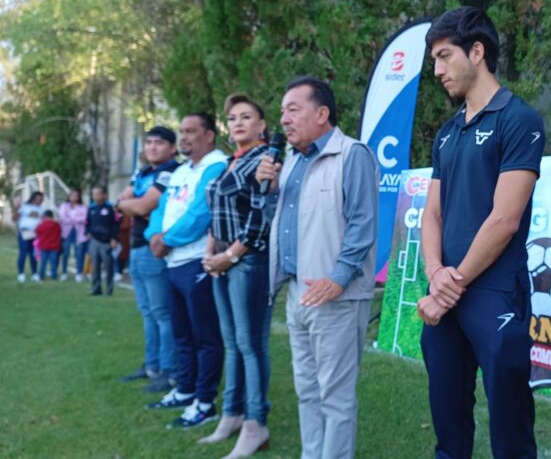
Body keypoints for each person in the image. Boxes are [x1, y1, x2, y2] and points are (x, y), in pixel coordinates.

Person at [416, 6, 545, 459]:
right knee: (448, 427)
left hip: (494, 293)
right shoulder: (447, 133)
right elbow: (431, 214)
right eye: (434, 60)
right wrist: (435, 274)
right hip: (445, 291)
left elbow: (504, 219)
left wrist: (451, 285)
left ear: (476, 52)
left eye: (444, 56)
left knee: (511, 433)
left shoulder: (519, 119)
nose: (437, 71)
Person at [255, 76, 378, 459]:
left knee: (335, 397)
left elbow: (362, 224)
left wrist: (338, 279)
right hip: (298, 293)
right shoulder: (290, 162)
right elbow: (280, 223)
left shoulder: (352, 154)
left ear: (322, 113)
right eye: (282, 111)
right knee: (307, 390)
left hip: (336, 297)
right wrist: (267, 190)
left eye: (293, 110)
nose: (284, 119)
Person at [199, 94, 274, 458]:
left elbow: (260, 219)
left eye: (246, 116)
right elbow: (217, 214)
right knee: (232, 343)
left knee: (251, 344)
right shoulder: (232, 161)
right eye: (232, 118)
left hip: (248, 262)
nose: (238, 123)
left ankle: (256, 423)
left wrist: (228, 257)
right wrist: (209, 253)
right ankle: (232, 414)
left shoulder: (265, 160)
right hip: (221, 261)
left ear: (262, 125)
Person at [145, 113, 227, 430]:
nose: (184, 137)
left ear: (209, 135)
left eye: (191, 131)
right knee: (182, 334)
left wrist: (166, 240)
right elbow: (161, 208)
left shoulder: (216, 165)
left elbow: (200, 214)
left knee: (204, 336)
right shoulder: (180, 171)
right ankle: (185, 389)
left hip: (196, 261)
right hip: (173, 263)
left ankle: (205, 403)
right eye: (182, 131)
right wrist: (154, 235)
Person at [115, 126, 181, 392]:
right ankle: (151, 365)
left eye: (159, 143)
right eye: (149, 142)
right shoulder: (142, 172)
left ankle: (168, 369)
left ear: (172, 148)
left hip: (155, 250)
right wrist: (131, 206)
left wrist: (133, 206)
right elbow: (125, 201)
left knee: (163, 313)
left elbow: (142, 206)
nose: (152, 147)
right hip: (136, 248)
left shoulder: (171, 172)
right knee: (147, 311)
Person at [85, 185, 119, 296]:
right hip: (94, 241)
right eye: (93, 194)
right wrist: (88, 232)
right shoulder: (91, 208)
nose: (95, 196)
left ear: (104, 195)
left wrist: (114, 238)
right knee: (95, 266)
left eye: (97, 193)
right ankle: (96, 289)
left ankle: (109, 290)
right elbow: (88, 223)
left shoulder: (110, 208)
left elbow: (115, 224)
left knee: (108, 266)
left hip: (107, 242)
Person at [58, 187, 89, 282]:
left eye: (76, 196)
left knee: (79, 253)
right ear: (69, 196)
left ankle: (79, 273)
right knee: (65, 253)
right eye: (72, 195)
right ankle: (64, 273)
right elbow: (63, 217)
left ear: (79, 197)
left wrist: (71, 220)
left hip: (79, 233)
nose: (74, 197)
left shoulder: (83, 207)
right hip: (67, 232)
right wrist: (76, 220)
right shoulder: (64, 206)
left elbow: (84, 218)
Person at [15, 191, 44, 283]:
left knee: (34, 254)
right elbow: (15, 217)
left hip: (35, 234)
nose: (40, 201)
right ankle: (21, 273)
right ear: (33, 198)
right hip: (24, 232)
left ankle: (34, 273)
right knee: (23, 253)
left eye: (41, 199)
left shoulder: (41, 210)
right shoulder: (24, 207)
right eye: (38, 199)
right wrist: (16, 208)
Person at [35, 210, 62, 281]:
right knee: (53, 263)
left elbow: (37, 232)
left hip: (44, 246)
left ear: (44, 217)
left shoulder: (41, 225)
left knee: (43, 263)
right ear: (52, 217)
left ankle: (41, 277)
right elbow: (59, 233)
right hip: (54, 246)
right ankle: (54, 276)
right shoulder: (57, 225)